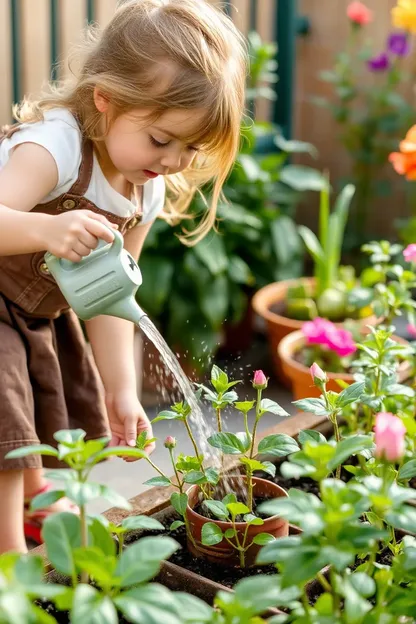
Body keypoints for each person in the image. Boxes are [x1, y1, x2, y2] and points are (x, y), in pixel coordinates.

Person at [0, 0, 247, 552]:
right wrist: (46, 231)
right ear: (105, 100)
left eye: (192, 147)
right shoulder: (53, 148)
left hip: (34, 312)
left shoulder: (146, 188)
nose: (174, 160)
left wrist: (123, 390)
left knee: (31, 403)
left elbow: (115, 299)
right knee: (6, 413)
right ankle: (11, 560)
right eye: (162, 139)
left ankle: (35, 499)